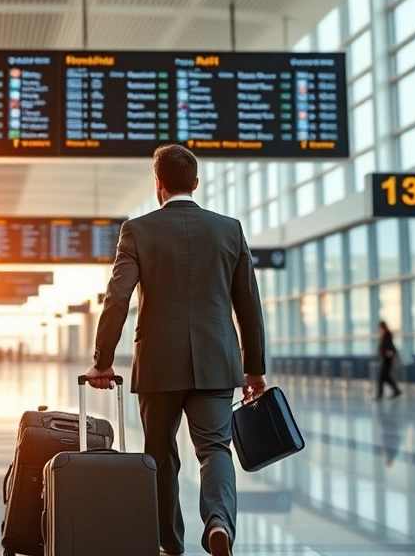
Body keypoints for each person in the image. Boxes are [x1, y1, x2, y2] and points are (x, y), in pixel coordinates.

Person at [85, 144, 266, 556]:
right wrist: (253, 369)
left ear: (158, 184)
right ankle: (219, 521)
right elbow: (248, 306)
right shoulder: (230, 229)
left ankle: (170, 541)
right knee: (215, 448)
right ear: (196, 184)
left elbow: (117, 299)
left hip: (158, 364)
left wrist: (103, 361)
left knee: (160, 454)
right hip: (217, 361)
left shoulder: (137, 230)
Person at [376, 320, 402, 399]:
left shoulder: (387, 334)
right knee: (386, 376)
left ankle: (380, 394)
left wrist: (389, 352)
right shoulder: (383, 334)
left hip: (387, 358)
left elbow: (389, 344)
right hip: (385, 357)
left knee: (381, 376)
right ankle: (396, 390)